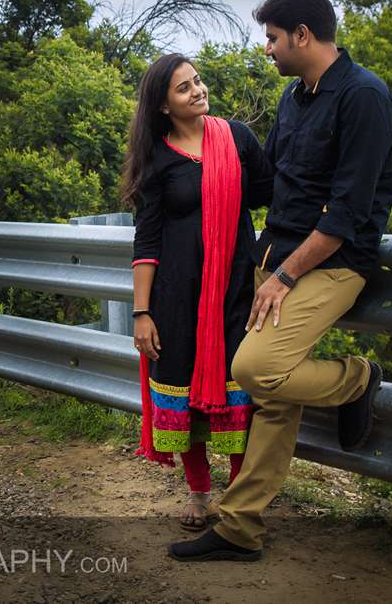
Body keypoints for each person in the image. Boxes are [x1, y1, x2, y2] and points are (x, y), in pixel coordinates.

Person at [170, 0, 392, 563]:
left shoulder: (364, 97)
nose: (267, 49)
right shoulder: (295, 97)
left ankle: (356, 379)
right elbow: (269, 183)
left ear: (302, 35)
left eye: (272, 38)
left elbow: (347, 214)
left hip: (333, 262)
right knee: (272, 399)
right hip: (275, 253)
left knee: (254, 368)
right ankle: (239, 528)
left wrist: (285, 276)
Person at [121, 53, 274, 532]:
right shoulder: (158, 160)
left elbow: (272, 193)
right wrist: (141, 313)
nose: (198, 91)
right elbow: (146, 243)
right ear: (164, 106)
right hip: (175, 298)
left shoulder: (238, 139)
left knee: (237, 390)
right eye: (184, 88)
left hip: (234, 292)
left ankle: (241, 494)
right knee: (183, 392)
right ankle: (199, 492)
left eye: (198, 81)